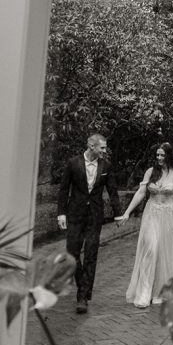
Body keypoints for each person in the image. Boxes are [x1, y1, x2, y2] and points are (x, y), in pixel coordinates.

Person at [115, 142, 173, 308]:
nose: (159, 158)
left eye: (162, 155)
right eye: (157, 155)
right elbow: (141, 193)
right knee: (150, 249)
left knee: (166, 253)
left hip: (169, 215)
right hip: (151, 215)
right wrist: (127, 212)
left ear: (169, 156)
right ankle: (145, 292)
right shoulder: (151, 172)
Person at [58, 133, 120, 314]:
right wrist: (61, 213)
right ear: (91, 146)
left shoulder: (106, 165)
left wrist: (118, 214)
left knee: (91, 254)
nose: (104, 151)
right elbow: (63, 189)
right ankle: (83, 286)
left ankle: (82, 297)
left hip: (95, 215)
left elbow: (113, 190)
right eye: (102, 148)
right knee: (72, 253)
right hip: (75, 214)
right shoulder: (73, 163)